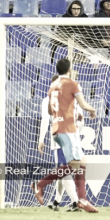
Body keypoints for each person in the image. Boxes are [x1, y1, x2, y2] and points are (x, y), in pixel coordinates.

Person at [31, 58, 98, 213]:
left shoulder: (52, 86)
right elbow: (83, 104)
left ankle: (81, 200)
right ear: (69, 69)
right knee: (75, 165)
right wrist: (92, 110)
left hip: (57, 128)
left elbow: (49, 111)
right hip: (67, 128)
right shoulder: (72, 84)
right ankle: (40, 185)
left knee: (81, 162)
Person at [38, 74, 84, 212]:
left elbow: (46, 120)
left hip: (60, 140)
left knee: (63, 172)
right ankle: (57, 201)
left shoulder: (48, 99)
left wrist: (41, 139)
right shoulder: (72, 98)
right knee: (63, 171)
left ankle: (76, 202)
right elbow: (82, 121)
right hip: (73, 139)